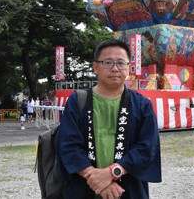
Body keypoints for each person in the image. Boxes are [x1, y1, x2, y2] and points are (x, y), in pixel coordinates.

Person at [56, 39, 161, 199]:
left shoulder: (142, 105)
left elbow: (147, 148)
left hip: (128, 189)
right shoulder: (77, 101)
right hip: (83, 187)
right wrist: (97, 179)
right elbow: (68, 145)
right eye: (107, 62)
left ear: (129, 67)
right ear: (95, 67)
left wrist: (112, 173)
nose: (115, 68)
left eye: (121, 63)